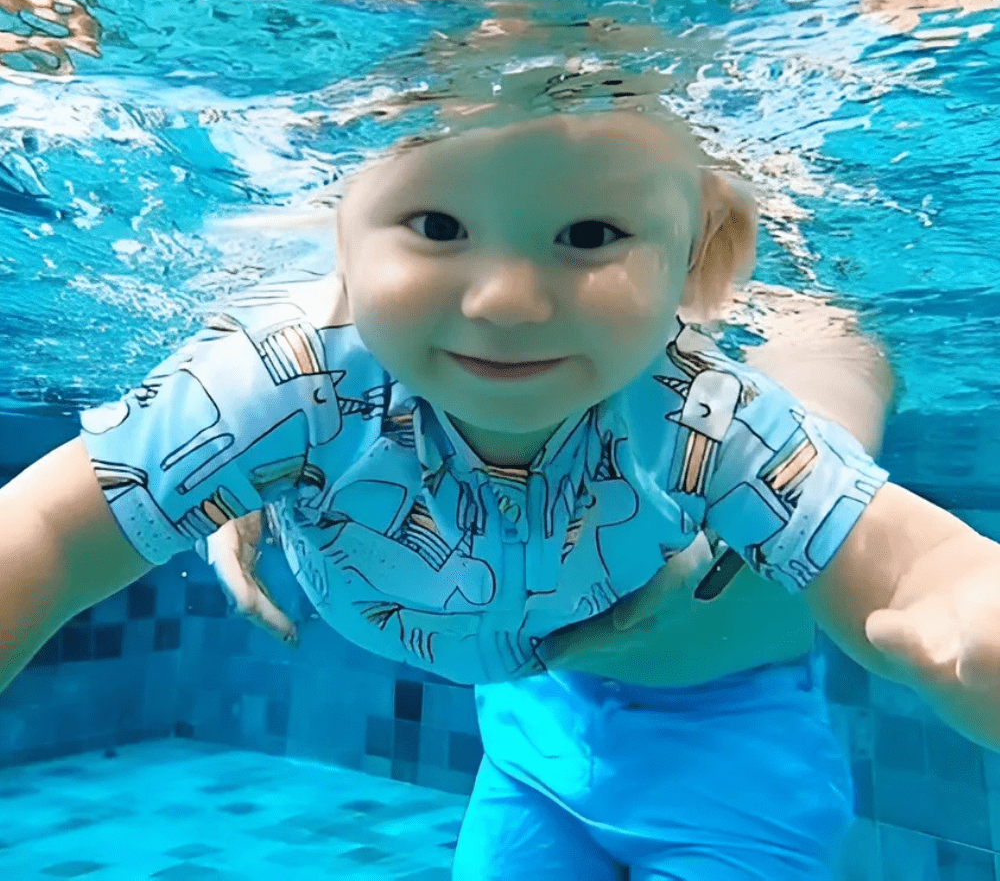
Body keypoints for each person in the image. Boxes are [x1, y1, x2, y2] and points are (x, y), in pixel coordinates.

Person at [2, 100, 1000, 881]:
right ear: (341, 237)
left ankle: (826, 358)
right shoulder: (278, 379)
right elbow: (47, 531)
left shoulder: (697, 409)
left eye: (591, 233)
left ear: (697, 252)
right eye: (438, 224)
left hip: (729, 733)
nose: (506, 301)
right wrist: (250, 478)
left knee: (819, 408)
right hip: (530, 725)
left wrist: (970, 615)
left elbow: (910, 565)